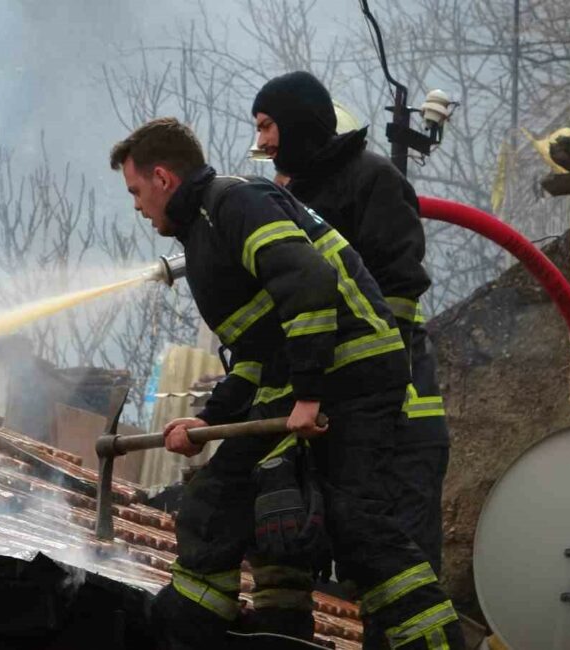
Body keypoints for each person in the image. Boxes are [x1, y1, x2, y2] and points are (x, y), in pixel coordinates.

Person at [110, 116, 463, 650]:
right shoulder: (206, 231)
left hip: (356, 375)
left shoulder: (235, 202)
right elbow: (256, 355)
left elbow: (309, 280)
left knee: (354, 523)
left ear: (162, 178)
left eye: (136, 190)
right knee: (221, 502)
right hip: (310, 380)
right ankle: (205, 632)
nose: (137, 205)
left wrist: (310, 393)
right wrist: (208, 420)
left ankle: (434, 642)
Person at [251, 71, 450, 577]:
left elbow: (399, 297)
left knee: (401, 567)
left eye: (269, 125)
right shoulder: (292, 199)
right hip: (342, 417)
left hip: (401, 421)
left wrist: (374, 392)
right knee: (352, 566)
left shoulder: (374, 180)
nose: (263, 142)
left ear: (298, 122)